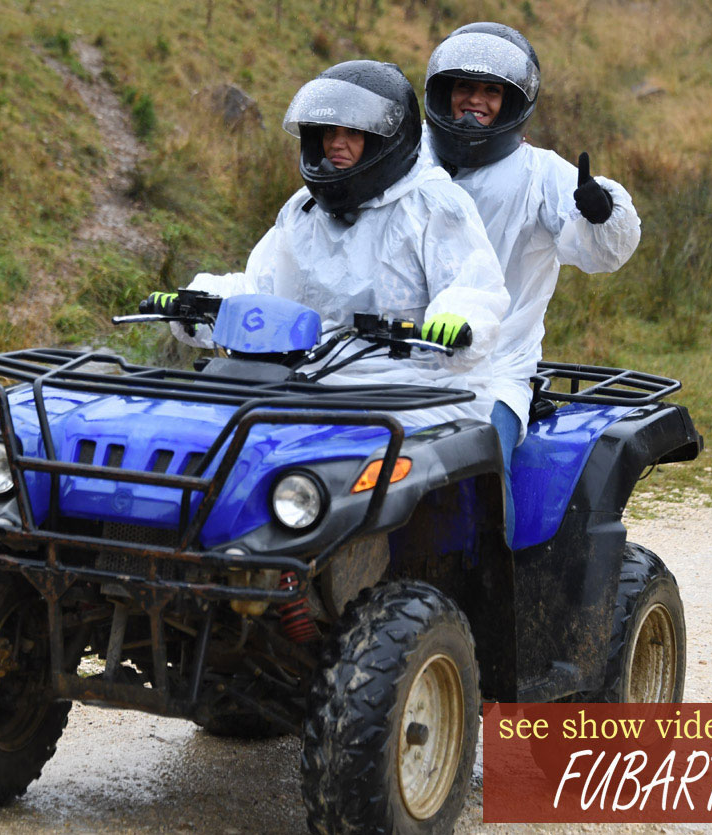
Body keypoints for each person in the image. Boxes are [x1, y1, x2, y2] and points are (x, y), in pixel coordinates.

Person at [144, 59, 509, 434]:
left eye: (353, 131)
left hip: (411, 395)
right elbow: (261, 288)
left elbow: (474, 287)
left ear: (388, 139)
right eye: (328, 131)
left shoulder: (433, 206)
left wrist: (459, 322)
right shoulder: (303, 210)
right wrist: (196, 302)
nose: (335, 143)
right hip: (306, 385)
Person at [422, 23, 642, 544]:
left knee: (480, 501)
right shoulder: (411, 163)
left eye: (491, 91)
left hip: (490, 372)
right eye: (464, 88)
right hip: (396, 360)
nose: (475, 101)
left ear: (514, 101)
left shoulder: (541, 173)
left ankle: (500, 605)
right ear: (442, 93)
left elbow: (599, 252)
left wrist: (601, 212)